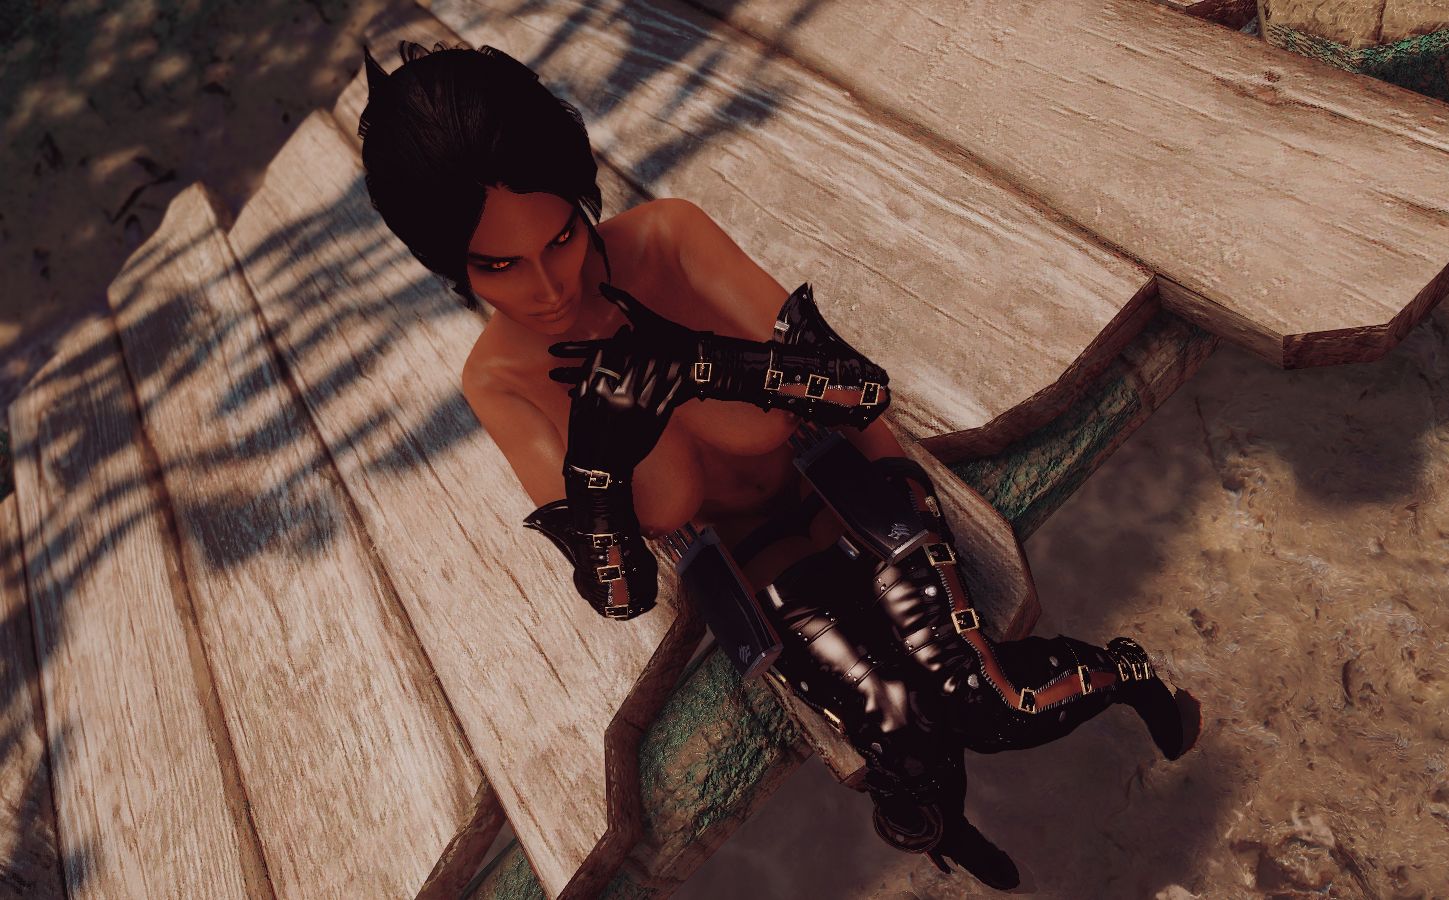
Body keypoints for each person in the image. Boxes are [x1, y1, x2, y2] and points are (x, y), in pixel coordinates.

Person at [358, 40, 1201, 890]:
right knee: (899, 739)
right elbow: (621, 594)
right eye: (498, 265)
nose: (549, 286)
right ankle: (943, 827)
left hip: (854, 487)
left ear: (580, 202)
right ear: (448, 262)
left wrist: (695, 365)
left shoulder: (668, 238)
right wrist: (601, 463)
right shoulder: (501, 379)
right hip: (754, 573)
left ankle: (1126, 673)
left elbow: (856, 389)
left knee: (981, 701)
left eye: (563, 236)